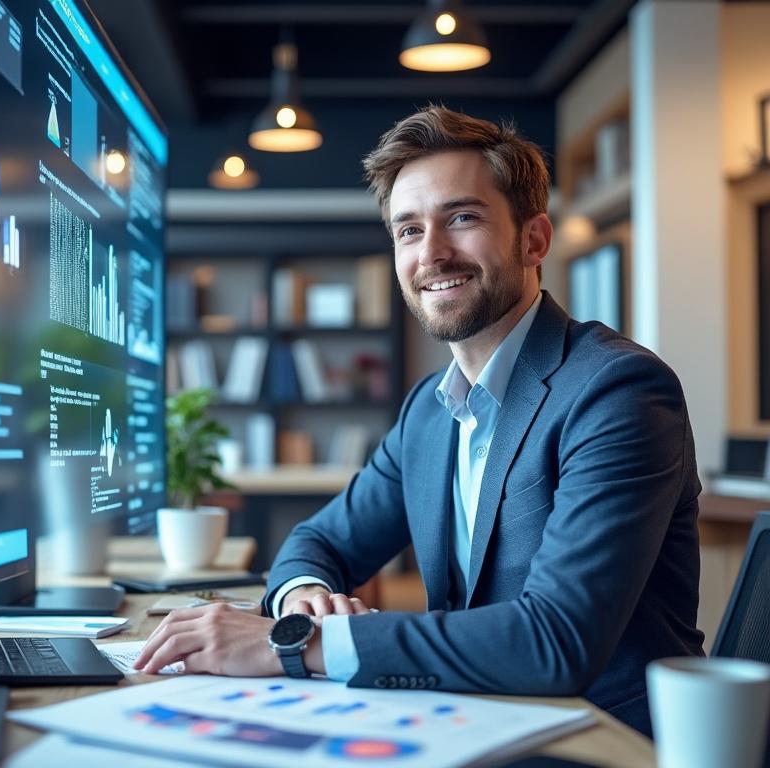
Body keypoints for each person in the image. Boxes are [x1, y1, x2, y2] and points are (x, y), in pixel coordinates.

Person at [135, 105, 704, 735]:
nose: (432, 253)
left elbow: (556, 640)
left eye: (462, 218)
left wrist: (288, 644)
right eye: (408, 230)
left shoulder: (615, 390)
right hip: (470, 721)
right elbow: (318, 543)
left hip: (604, 738)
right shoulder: (429, 410)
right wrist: (302, 600)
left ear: (534, 239)